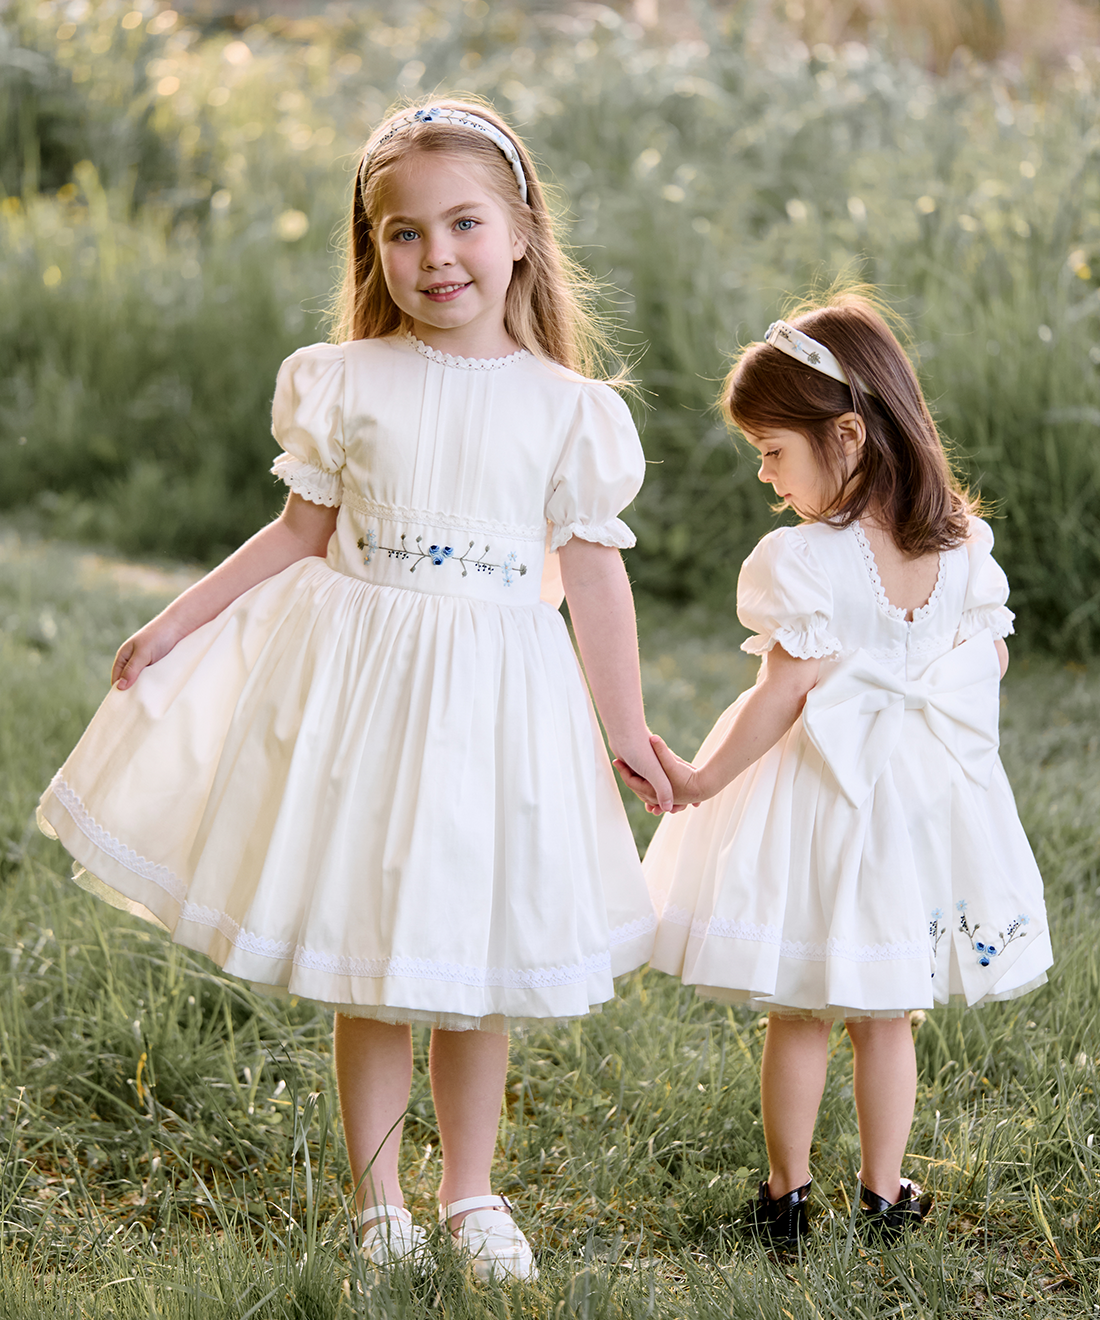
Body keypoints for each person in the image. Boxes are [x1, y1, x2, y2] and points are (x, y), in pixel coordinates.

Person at [38, 97, 672, 1279]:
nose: (436, 256)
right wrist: (177, 620)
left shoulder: (569, 412)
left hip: (494, 696)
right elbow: (295, 534)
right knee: (374, 945)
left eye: (464, 223)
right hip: (371, 694)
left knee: (475, 957)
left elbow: (593, 582)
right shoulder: (346, 379)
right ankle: (377, 1198)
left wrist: (622, 724)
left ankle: (471, 1192)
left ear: (522, 232)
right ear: (371, 247)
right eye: (403, 233)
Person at [619, 292, 1051, 1245]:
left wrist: (698, 780)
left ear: (847, 434)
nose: (768, 479)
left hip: (823, 799)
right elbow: (993, 660)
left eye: (774, 451)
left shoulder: (804, 561)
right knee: (889, 1010)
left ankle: (786, 1196)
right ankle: (886, 1193)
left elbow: (782, 695)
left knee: (805, 1009)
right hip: (918, 805)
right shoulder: (965, 549)